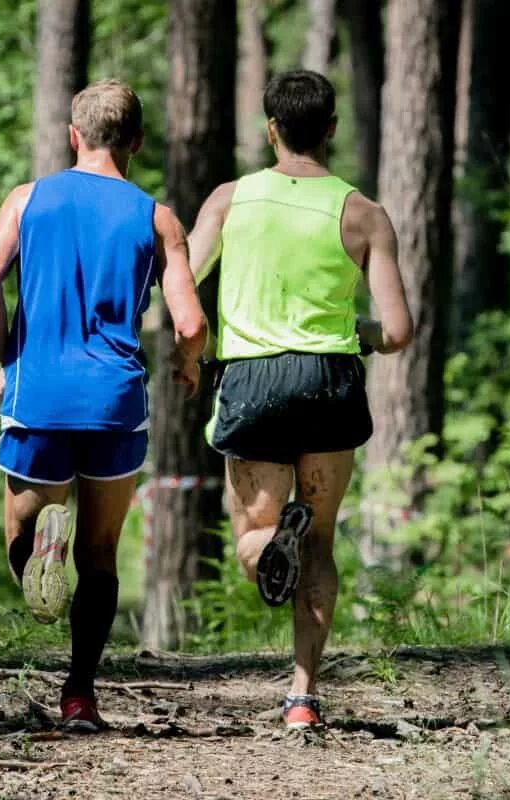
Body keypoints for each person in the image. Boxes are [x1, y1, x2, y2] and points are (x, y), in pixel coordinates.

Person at [0, 79, 207, 732]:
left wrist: (7, 357)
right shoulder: (155, 216)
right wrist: (188, 367)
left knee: (21, 534)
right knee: (100, 554)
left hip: (36, 393)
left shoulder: (27, 200)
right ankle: (80, 694)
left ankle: (42, 543)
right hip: (114, 403)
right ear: (135, 142)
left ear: (74, 135)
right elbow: (189, 324)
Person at [187, 70, 413, 730]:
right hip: (329, 380)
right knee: (320, 546)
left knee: (254, 540)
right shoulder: (364, 213)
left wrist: (187, 347)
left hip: (253, 380)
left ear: (271, 129)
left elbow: (183, 280)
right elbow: (397, 330)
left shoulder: (230, 200)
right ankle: (302, 696)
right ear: (332, 130)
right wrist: (358, 334)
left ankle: (271, 542)